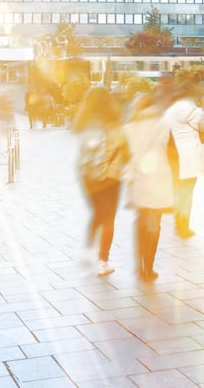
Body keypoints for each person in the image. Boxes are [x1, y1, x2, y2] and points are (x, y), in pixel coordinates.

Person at [73, 87, 130, 277]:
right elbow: (126, 150)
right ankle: (102, 261)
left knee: (97, 214)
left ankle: (88, 252)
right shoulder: (115, 124)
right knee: (108, 219)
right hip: (110, 177)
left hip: (88, 177)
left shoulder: (83, 124)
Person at [122, 93, 175, 282]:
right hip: (159, 178)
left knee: (140, 222)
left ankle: (139, 266)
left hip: (138, 178)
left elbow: (124, 156)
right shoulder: (164, 125)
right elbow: (172, 153)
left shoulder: (128, 128)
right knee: (154, 224)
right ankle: (149, 267)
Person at [164, 82, 204, 239]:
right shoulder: (196, 111)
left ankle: (178, 222)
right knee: (188, 193)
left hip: (175, 155)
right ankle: (184, 226)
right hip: (191, 157)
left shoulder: (169, 111)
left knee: (177, 190)